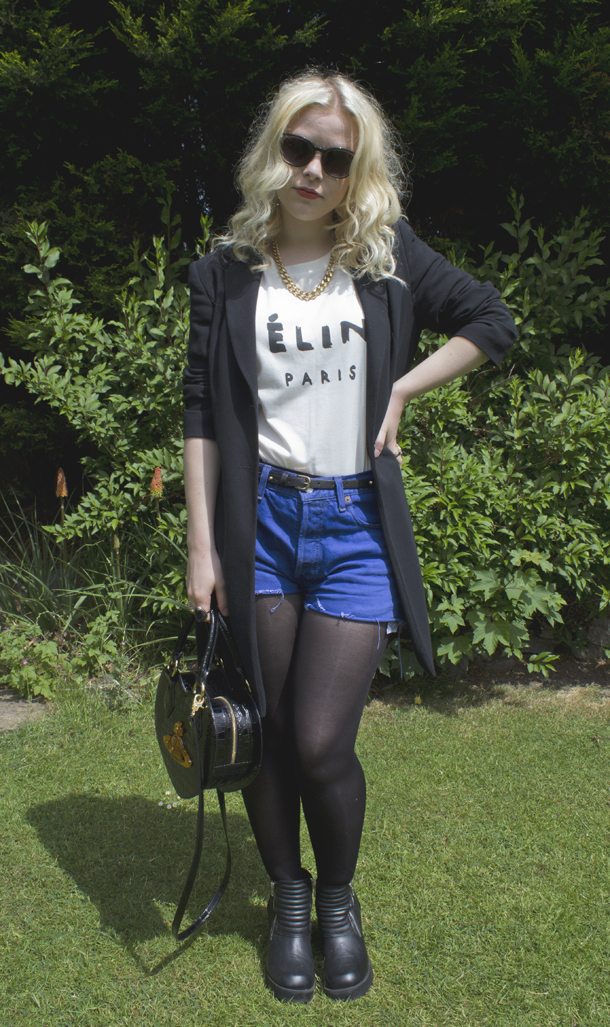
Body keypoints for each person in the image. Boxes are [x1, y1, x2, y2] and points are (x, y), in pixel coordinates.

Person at [183, 69, 516, 1003]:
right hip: (258, 524)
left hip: (354, 525)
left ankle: (337, 900)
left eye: (336, 158)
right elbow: (201, 409)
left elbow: (493, 319)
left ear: (357, 168)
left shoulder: (386, 256)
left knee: (322, 739)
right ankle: (288, 899)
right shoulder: (224, 270)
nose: (314, 172)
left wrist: (405, 384)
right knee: (267, 730)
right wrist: (201, 546)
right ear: (274, 150)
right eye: (299, 149)